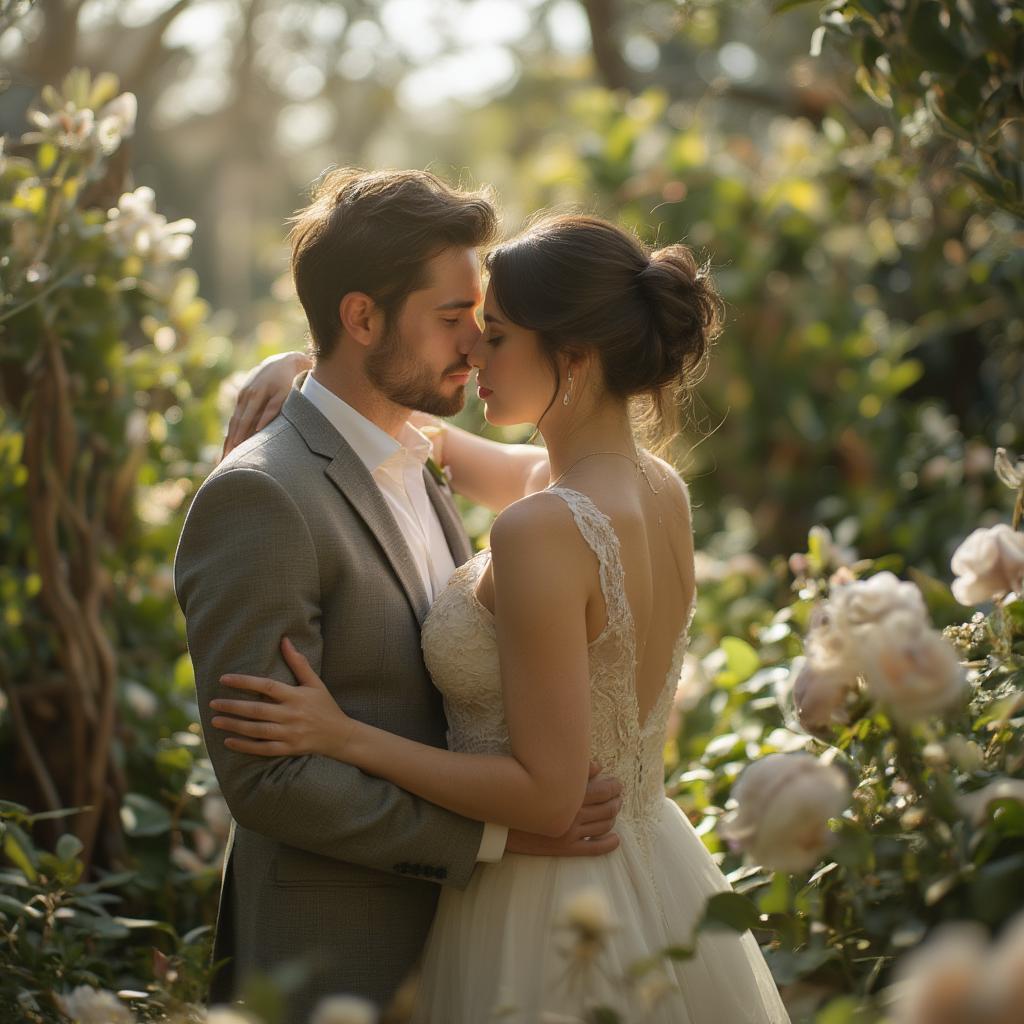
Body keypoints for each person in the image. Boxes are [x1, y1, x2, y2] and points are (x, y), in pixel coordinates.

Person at [212, 211, 792, 1022]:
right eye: (468, 327)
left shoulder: (543, 527)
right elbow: (428, 442)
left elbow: (548, 796)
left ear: (576, 356)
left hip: (549, 903)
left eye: (496, 334)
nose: (474, 353)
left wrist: (345, 737)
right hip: (651, 867)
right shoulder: (657, 488)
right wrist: (314, 365)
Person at [173, 169, 625, 1024]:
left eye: (484, 323)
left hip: (473, 951)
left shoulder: (420, 455)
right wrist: (502, 836)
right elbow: (271, 780)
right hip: (335, 957)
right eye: (455, 320)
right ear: (362, 317)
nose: (477, 346)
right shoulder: (261, 498)